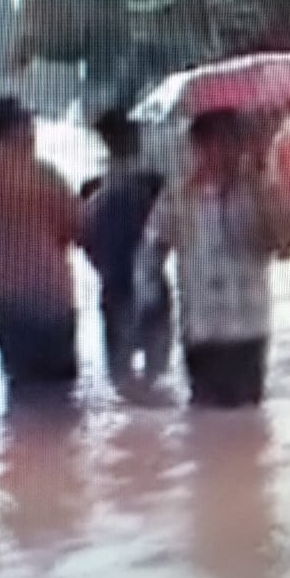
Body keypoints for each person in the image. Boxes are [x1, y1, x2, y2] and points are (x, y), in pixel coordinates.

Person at [134, 109, 290, 408]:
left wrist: (264, 188)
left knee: (248, 422)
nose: (225, 152)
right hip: (201, 330)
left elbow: (284, 245)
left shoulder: (257, 191)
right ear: (198, 147)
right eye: (214, 144)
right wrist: (152, 300)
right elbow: (150, 249)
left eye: (230, 143)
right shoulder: (179, 196)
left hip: (249, 327)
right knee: (205, 418)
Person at [0, 97, 81, 391]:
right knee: (64, 399)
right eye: (28, 124)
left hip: (5, 302)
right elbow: (78, 230)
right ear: (15, 128)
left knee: (23, 393)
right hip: (52, 299)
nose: (33, 130)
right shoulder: (45, 176)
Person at [81, 109, 171, 396]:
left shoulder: (92, 191)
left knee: (123, 383)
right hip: (151, 287)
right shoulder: (156, 185)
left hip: (116, 287)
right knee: (156, 378)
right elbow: (172, 236)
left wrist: (105, 267)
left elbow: (87, 242)